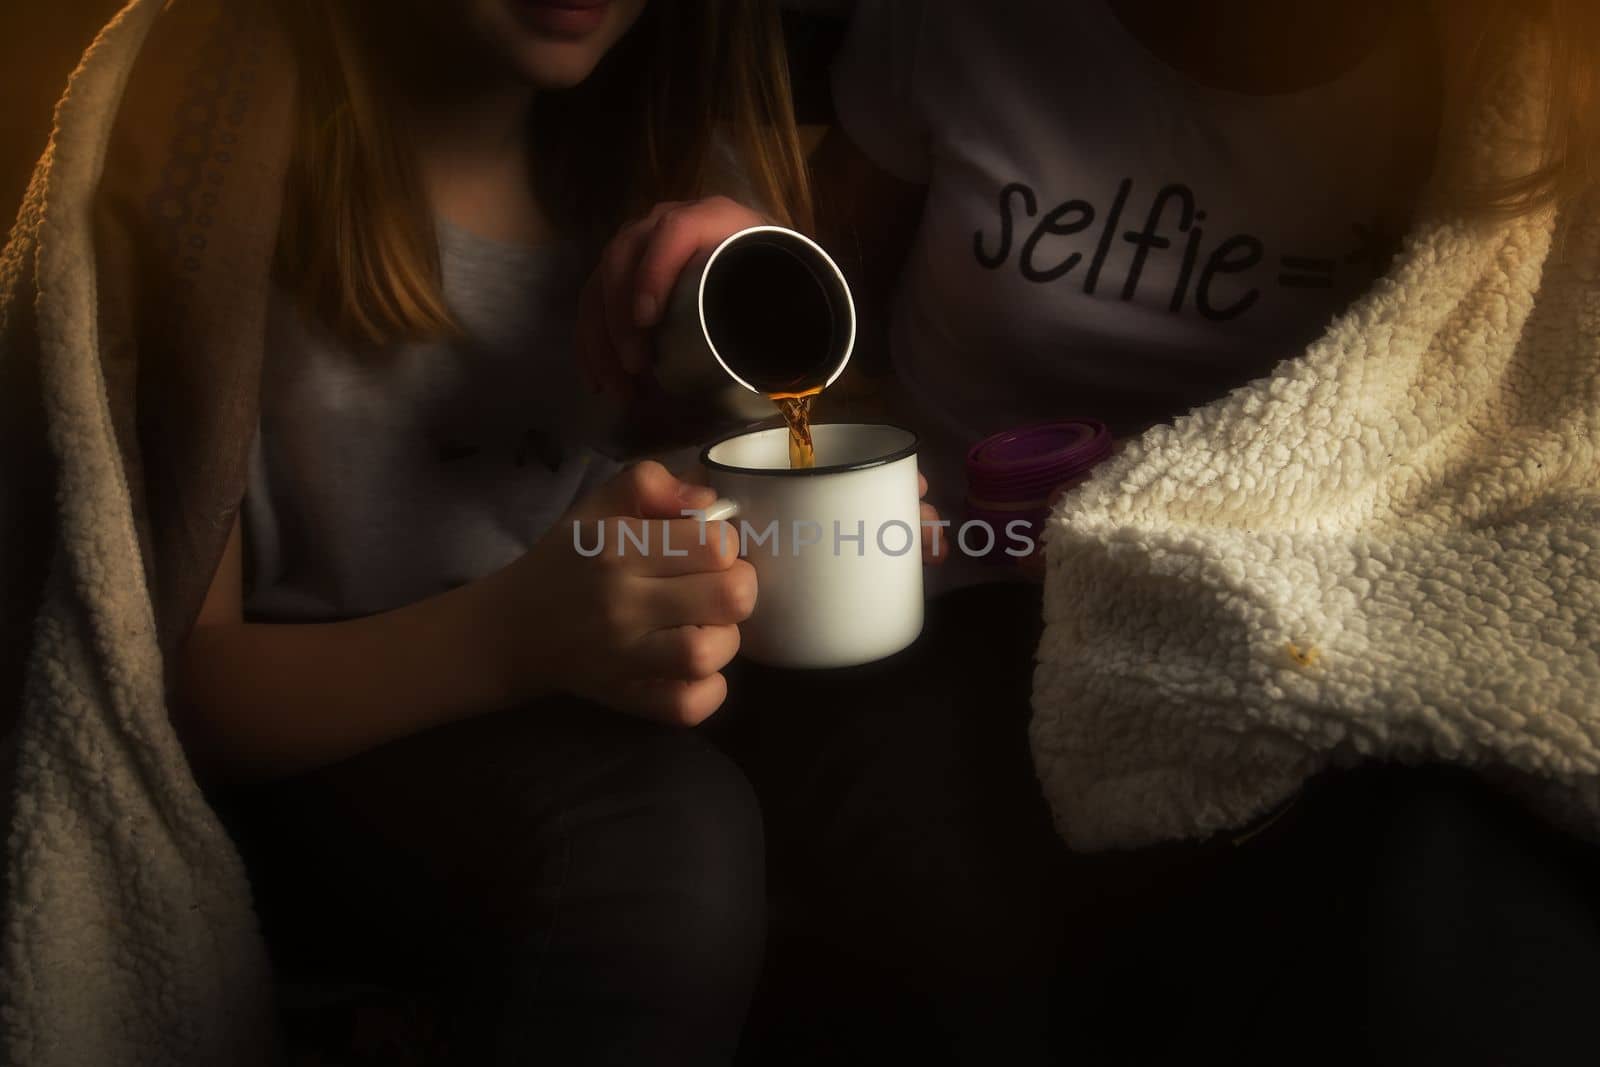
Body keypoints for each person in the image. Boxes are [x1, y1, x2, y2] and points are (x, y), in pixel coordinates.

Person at [588, 1, 1600, 1063]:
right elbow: (809, 305)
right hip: (958, 595)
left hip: (1309, 617)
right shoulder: (959, 29)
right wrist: (730, 259)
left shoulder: (1516, 86)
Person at [168, 0, 807, 1062]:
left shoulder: (687, 179)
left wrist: (760, 349)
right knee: (657, 829)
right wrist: (514, 637)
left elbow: (756, 511)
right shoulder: (222, 180)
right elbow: (181, 697)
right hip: (315, 771)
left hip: (609, 738)